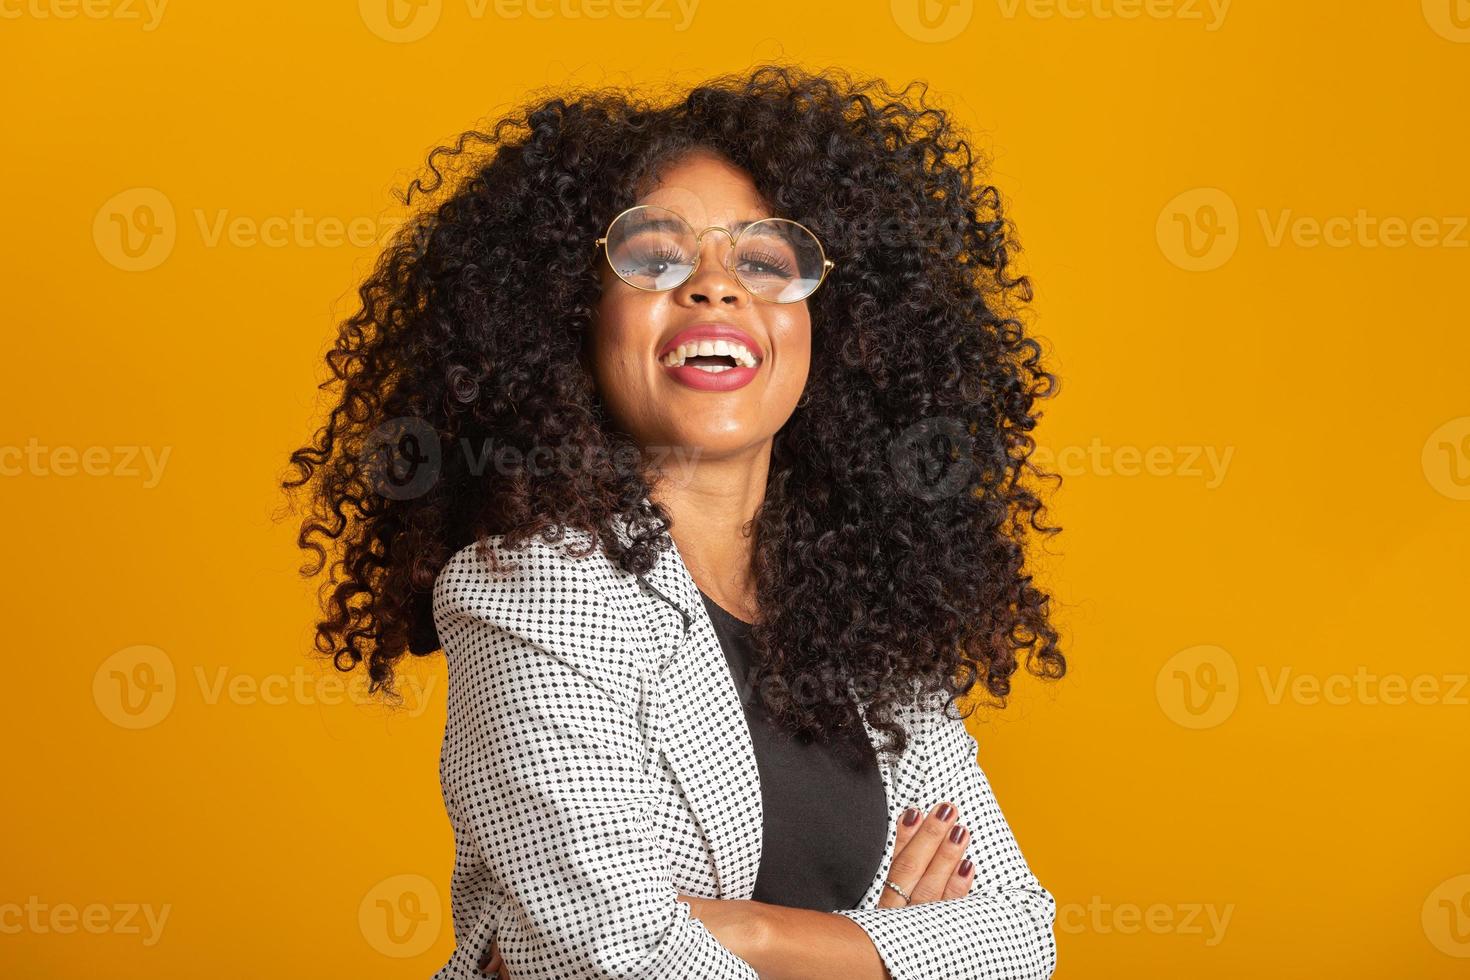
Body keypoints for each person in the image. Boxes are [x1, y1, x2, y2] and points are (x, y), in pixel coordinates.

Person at [283, 62, 1067, 980]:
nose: (716, 287)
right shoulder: (531, 593)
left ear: (839, 330)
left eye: (766, 263)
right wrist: (893, 940)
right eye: (655, 257)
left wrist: (743, 931)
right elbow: (623, 964)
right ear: (571, 317)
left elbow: (1020, 939)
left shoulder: (868, 624)